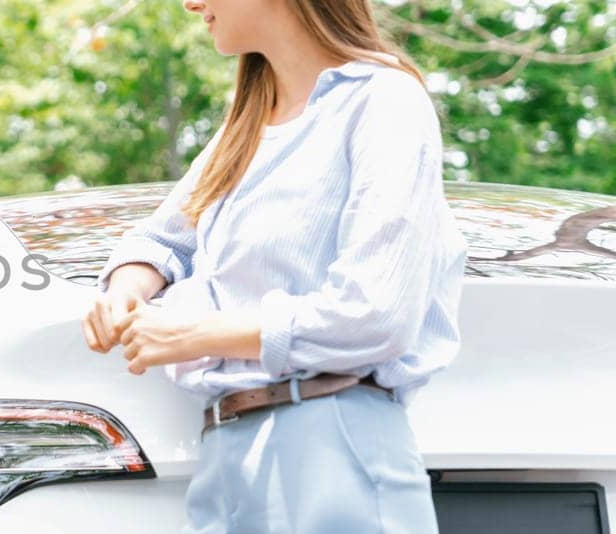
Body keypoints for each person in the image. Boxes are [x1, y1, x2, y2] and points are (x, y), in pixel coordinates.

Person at [81, 0, 467, 532]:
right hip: (225, 457)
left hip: (330, 440)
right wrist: (126, 289)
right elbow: (161, 239)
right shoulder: (245, 128)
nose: (191, 3)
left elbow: (377, 315)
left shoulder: (383, 100)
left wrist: (195, 334)